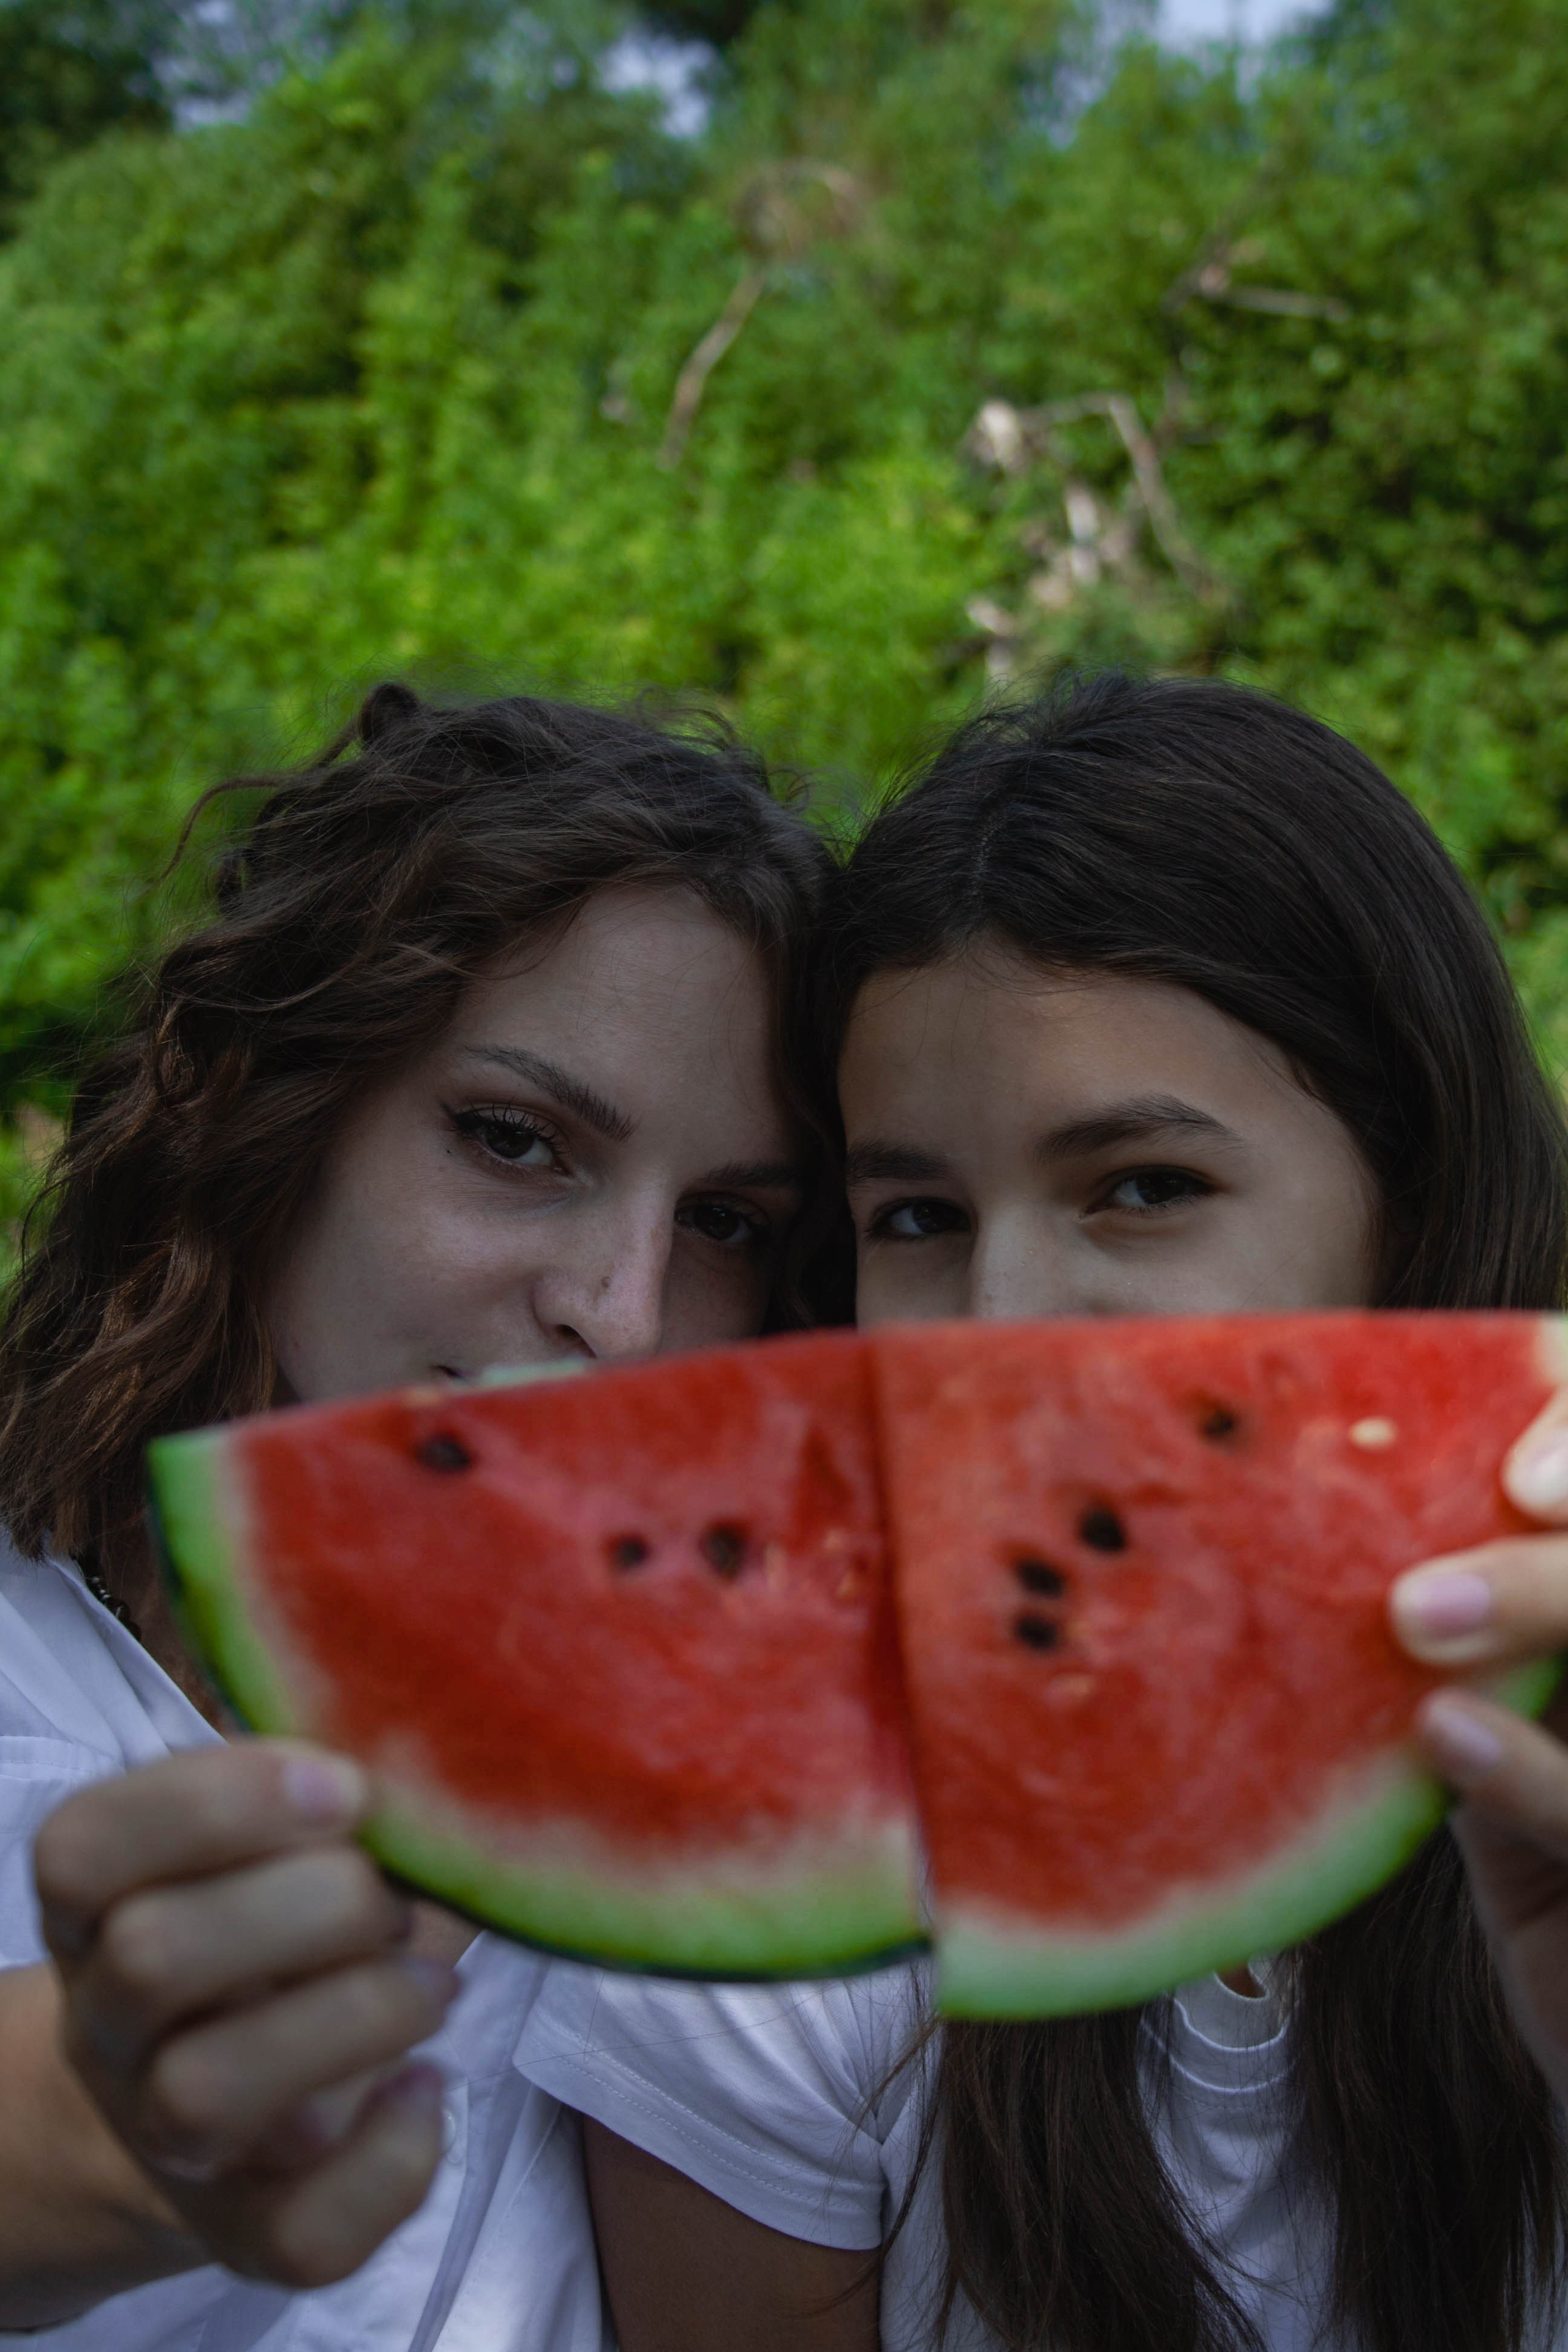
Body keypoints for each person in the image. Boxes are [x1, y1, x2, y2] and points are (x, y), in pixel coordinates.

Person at [517, 673, 1568, 2352]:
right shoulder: (770, 1893)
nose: (1003, 1325)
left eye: (1143, 1189)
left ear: (1417, 1208)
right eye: (919, 1214)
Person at [0, 679, 834, 2348]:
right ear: (264, 1113)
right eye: (516, 1141)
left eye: (731, 1222)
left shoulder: (771, 1814)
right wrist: (115, 2141)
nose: (627, 1311)